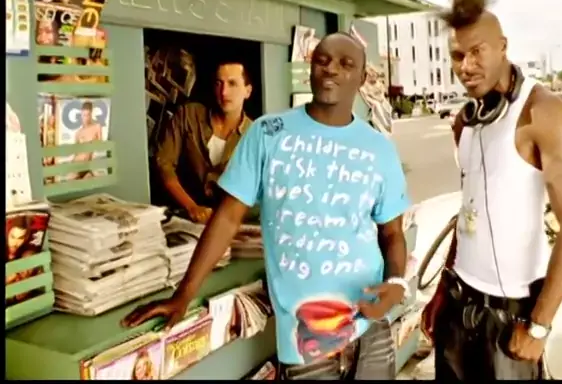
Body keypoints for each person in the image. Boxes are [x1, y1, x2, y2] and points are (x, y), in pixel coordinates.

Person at [123, 32, 411, 380]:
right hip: (306, 342)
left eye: (345, 64)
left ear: (362, 79)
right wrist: (183, 295)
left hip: (371, 329)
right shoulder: (268, 134)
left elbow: (392, 233)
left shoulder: (379, 149)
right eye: (322, 61)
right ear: (310, 71)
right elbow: (227, 218)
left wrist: (396, 283)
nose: (331, 69)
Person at [420, 0, 562, 381]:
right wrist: (442, 290)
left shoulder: (542, 112)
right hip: (457, 306)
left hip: (512, 316)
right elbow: (470, 211)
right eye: (457, 56)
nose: (466, 66)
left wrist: (539, 325)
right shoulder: (466, 121)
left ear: (503, 47)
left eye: (477, 51)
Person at [154, 61, 253, 223]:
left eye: (232, 84)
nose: (224, 92)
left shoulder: (256, 135)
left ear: (247, 91)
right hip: (184, 215)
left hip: (231, 221)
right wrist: (191, 207)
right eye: (218, 83)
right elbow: (164, 164)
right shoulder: (188, 115)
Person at [72, 100, 103, 179]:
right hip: (77, 166)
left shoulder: (97, 127)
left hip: (89, 165)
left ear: (91, 114)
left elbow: (101, 147)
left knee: (90, 179)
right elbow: (75, 153)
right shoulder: (78, 133)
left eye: (88, 115)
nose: (85, 118)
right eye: (83, 115)